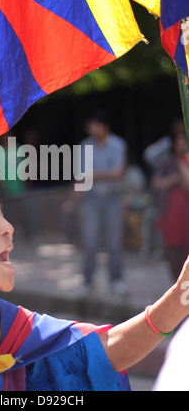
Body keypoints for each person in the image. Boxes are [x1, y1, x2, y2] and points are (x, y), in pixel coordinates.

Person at [0, 164, 189, 391]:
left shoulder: (2, 326)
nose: (8, 227)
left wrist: (180, 296)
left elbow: (93, 353)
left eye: (2, 214)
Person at [77, 110, 127, 295]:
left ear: (103, 127)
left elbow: (119, 172)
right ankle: (87, 282)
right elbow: (84, 174)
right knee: (90, 243)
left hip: (113, 199)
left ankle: (116, 280)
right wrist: (107, 174)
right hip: (91, 200)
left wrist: (95, 174)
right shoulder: (85, 145)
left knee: (115, 243)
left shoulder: (119, 144)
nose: (90, 128)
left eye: (93, 124)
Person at [152, 130, 189, 281]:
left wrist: (180, 162)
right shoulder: (165, 162)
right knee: (172, 247)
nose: (181, 144)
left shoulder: (185, 161)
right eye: (178, 141)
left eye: (183, 141)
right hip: (170, 211)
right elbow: (157, 183)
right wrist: (173, 179)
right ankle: (177, 284)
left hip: (186, 211)